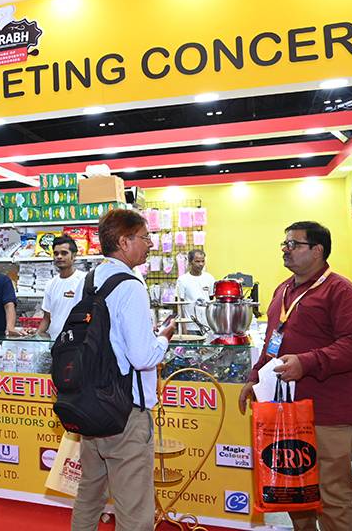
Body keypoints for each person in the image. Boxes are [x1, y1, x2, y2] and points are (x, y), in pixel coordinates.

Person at [239, 221, 352, 531]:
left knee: (332, 497)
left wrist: (307, 362)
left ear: (317, 250)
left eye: (294, 244)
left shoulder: (341, 291)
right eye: (284, 244)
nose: (285, 250)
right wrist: (255, 376)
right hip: (286, 413)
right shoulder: (283, 290)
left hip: (327, 413)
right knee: (295, 495)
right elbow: (274, 341)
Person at [70, 210, 174, 531]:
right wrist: (163, 339)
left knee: (89, 495)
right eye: (145, 237)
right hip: (126, 412)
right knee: (135, 510)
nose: (150, 244)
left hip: (91, 405)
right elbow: (142, 357)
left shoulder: (88, 281)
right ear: (124, 241)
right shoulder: (131, 286)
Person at [37, 235, 86, 340]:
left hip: (76, 341)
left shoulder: (84, 280)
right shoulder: (50, 284)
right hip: (54, 342)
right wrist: (37, 335)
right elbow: (47, 318)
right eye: (56, 253)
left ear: (74, 256)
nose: (59, 256)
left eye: (64, 253)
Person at [175, 249, 215, 334]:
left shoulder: (210, 278)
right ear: (190, 262)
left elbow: (211, 301)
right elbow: (179, 305)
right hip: (190, 326)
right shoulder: (182, 280)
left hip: (207, 326)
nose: (201, 264)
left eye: (203, 261)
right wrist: (183, 327)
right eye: (197, 261)